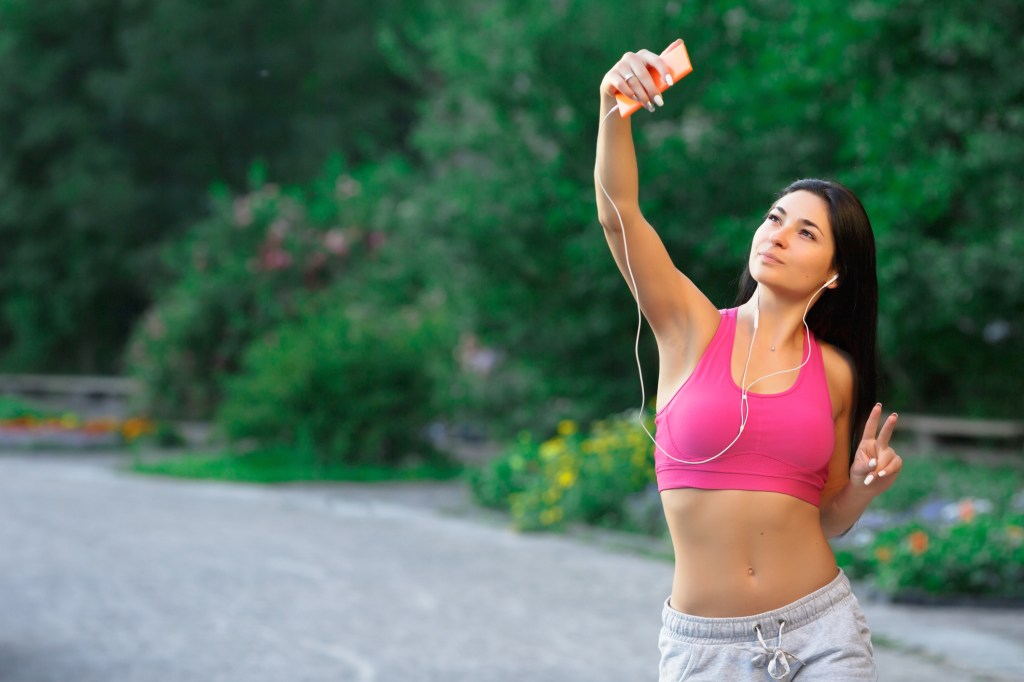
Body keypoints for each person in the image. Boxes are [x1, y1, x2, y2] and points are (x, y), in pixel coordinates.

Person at [594, 45, 903, 681]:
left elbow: (829, 516)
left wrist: (864, 489)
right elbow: (617, 215)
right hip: (704, 649)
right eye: (775, 218)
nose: (778, 235)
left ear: (837, 272)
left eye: (806, 233)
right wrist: (613, 111)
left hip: (823, 631)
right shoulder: (690, 327)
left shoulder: (837, 374)